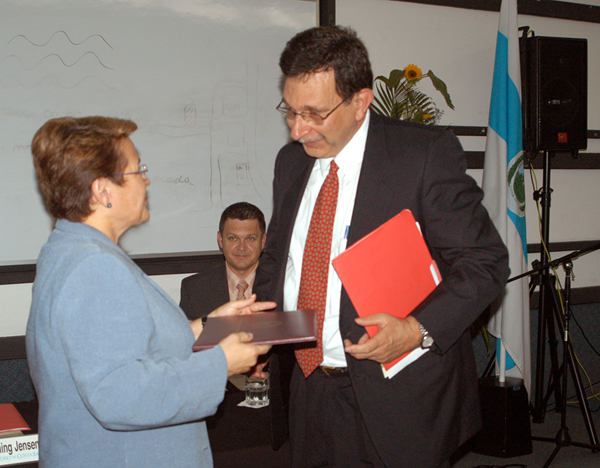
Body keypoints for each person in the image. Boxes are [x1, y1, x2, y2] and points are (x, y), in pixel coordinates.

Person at [254, 26, 510, 468]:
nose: (297, 130)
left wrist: (415, 330)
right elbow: (280, 257)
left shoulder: (421, 154)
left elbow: (485, 263)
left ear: (360, 101)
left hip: (400, 395)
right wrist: (261, 329)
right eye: (290, 111)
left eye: (314, 113)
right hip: (309, 387)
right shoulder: (290, 162)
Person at [25, 116, 273, 468]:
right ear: (102, 191)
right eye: (137, 170)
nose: (147, 179)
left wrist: (209, 325)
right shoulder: (94, 266)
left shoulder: (70, 250)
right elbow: (120, 395)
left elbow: (126, 346)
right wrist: (222, 364)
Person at [180, 202, 266, 321]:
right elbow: (188, 337)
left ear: (262, 241)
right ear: (220, 240)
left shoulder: (283, 285)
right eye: (233, 238)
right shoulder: (194, 289)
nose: (242, 247)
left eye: (250, 238)